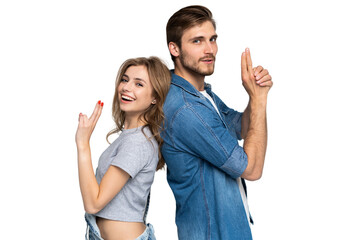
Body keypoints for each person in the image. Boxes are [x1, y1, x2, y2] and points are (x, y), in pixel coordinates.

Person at [161, 5, 273, 240]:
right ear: (175, 48)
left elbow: (240, 126)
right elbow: (251, 169)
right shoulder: (187, 108)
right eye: (197, 41)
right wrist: (259, 100)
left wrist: (256, 93)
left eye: (212, 39)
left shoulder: (200, 94)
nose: (210, 49)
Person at [75, 57, 171, 240]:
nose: (126, 87)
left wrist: (83, 144)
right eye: (125, 80)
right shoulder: (131, 137)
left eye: (139, 84)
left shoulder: (137, 142)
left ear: (155, 98)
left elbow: (93, 203)